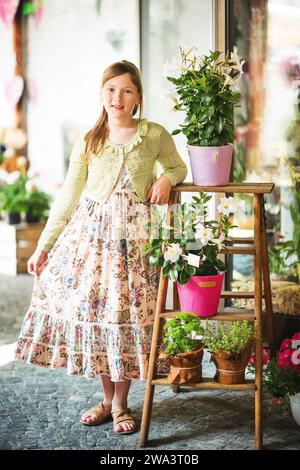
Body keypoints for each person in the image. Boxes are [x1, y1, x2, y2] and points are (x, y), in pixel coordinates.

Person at [14, 60, 187, 435]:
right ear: (101, 94)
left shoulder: (153, 134)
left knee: (123, 316)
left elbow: (178, 167)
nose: (117, 97)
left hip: (135, 241)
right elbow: (68, 195)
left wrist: (166, 179)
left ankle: (122, 404)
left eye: (126, 90)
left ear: (138, 96)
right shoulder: (90, 139)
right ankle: (107, 400)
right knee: (98, 313)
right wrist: (44, 246)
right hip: (91, 240)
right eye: (110, 89)